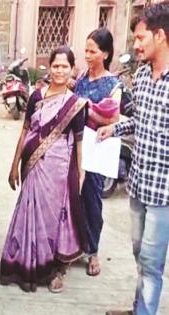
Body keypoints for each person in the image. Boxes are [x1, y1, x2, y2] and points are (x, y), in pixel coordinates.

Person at [98, 3, 169, 315]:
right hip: (138, 185)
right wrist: (114, 128)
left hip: (163, 194)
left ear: (161, 36)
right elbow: (140, 122)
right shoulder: (140, 77)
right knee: (140, 254)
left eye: (141, 38)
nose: (136, 44)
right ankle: (139, 306)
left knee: (153, 264)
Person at [0, 46, 88, 294]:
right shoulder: (37, 97)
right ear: (49, 68)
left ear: (72, 69)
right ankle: (24, 265)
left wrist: (79, 175)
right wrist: (14, 164)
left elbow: (79, 143)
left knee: (53, 221)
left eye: (65, 66)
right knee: (29, 213)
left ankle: (53, 270)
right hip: (33, 166)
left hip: (59, 172)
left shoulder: (75, 104)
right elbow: (25, 130)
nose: (60, 71)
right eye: (56, 66)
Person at [74, 28, 121, 277]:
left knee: (92, 199)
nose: (88, 55)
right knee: (73, 198)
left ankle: (92, 252)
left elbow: (112, 117)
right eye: (86, 50)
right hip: (76, 147)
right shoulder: (81, 78)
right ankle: (71, 247)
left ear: (104, 53)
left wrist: (86, 109)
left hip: (97, 148)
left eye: (92, 51)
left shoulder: (113, 84)